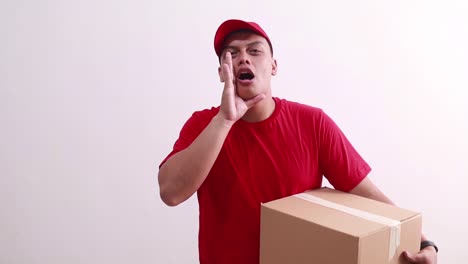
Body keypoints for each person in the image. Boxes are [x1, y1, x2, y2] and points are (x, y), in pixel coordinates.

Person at [158, 19, 438, 264]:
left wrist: (423, 242)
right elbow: (170, 192)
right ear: (222, 72)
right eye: (231, 54)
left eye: (254, 51)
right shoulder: (202, 125)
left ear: (274, 66)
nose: (243, 58)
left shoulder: (312, 123)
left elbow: (365, 193)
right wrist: (225, 120)